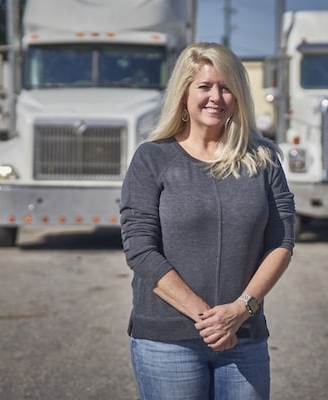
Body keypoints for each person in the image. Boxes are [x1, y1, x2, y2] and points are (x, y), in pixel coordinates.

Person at [120, 42, 295, 400]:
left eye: (226, 87)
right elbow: (140, 250)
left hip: (244, 338)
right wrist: (212, 320)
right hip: (166, 342)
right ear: (184, 92)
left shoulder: (263, 158)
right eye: (204, 86)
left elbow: (282, 241)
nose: (216, 96)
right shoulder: (152, 158)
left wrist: (240, 310)